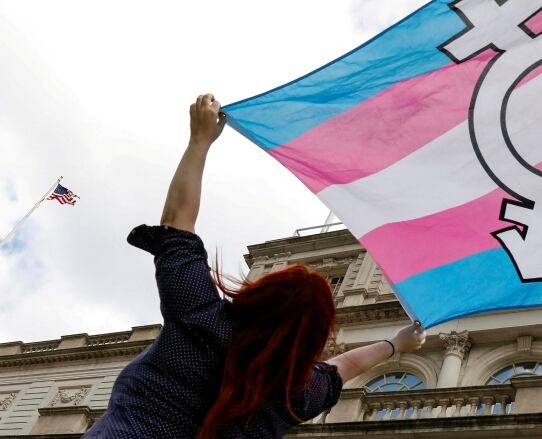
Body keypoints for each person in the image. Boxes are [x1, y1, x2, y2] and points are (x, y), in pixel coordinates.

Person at [84, 94, 427, 438]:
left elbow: (177, 223)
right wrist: (397, 344)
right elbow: (346, 365)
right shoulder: (296, 393)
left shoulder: (200, 317)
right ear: (316, 334)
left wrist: (199, 142)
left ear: (258, 293)